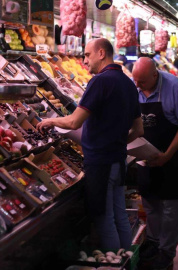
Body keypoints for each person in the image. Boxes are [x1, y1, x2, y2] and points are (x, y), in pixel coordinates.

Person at [36, 38, 143, 250]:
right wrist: (118, 142)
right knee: (119, 215)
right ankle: (126, 260)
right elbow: (139, 130)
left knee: (104, 219)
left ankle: (113, 260)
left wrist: (50, 121)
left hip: (100, 164)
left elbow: (74, 121)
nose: (85, 60)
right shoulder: (128, 84)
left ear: (101, 53)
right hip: (117, 161)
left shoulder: (100, 81)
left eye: (87, 55)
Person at [132, 57, 178, 270]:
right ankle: (154, 241)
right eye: (135, 81)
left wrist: (167, 155)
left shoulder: (173, 86)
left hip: (171, 155)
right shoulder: (135, 85)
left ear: (155, 75)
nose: (138, 86)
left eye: (143, 82)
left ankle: (167, 251)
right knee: (149, 202)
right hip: (144, 156)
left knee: (171, 207)